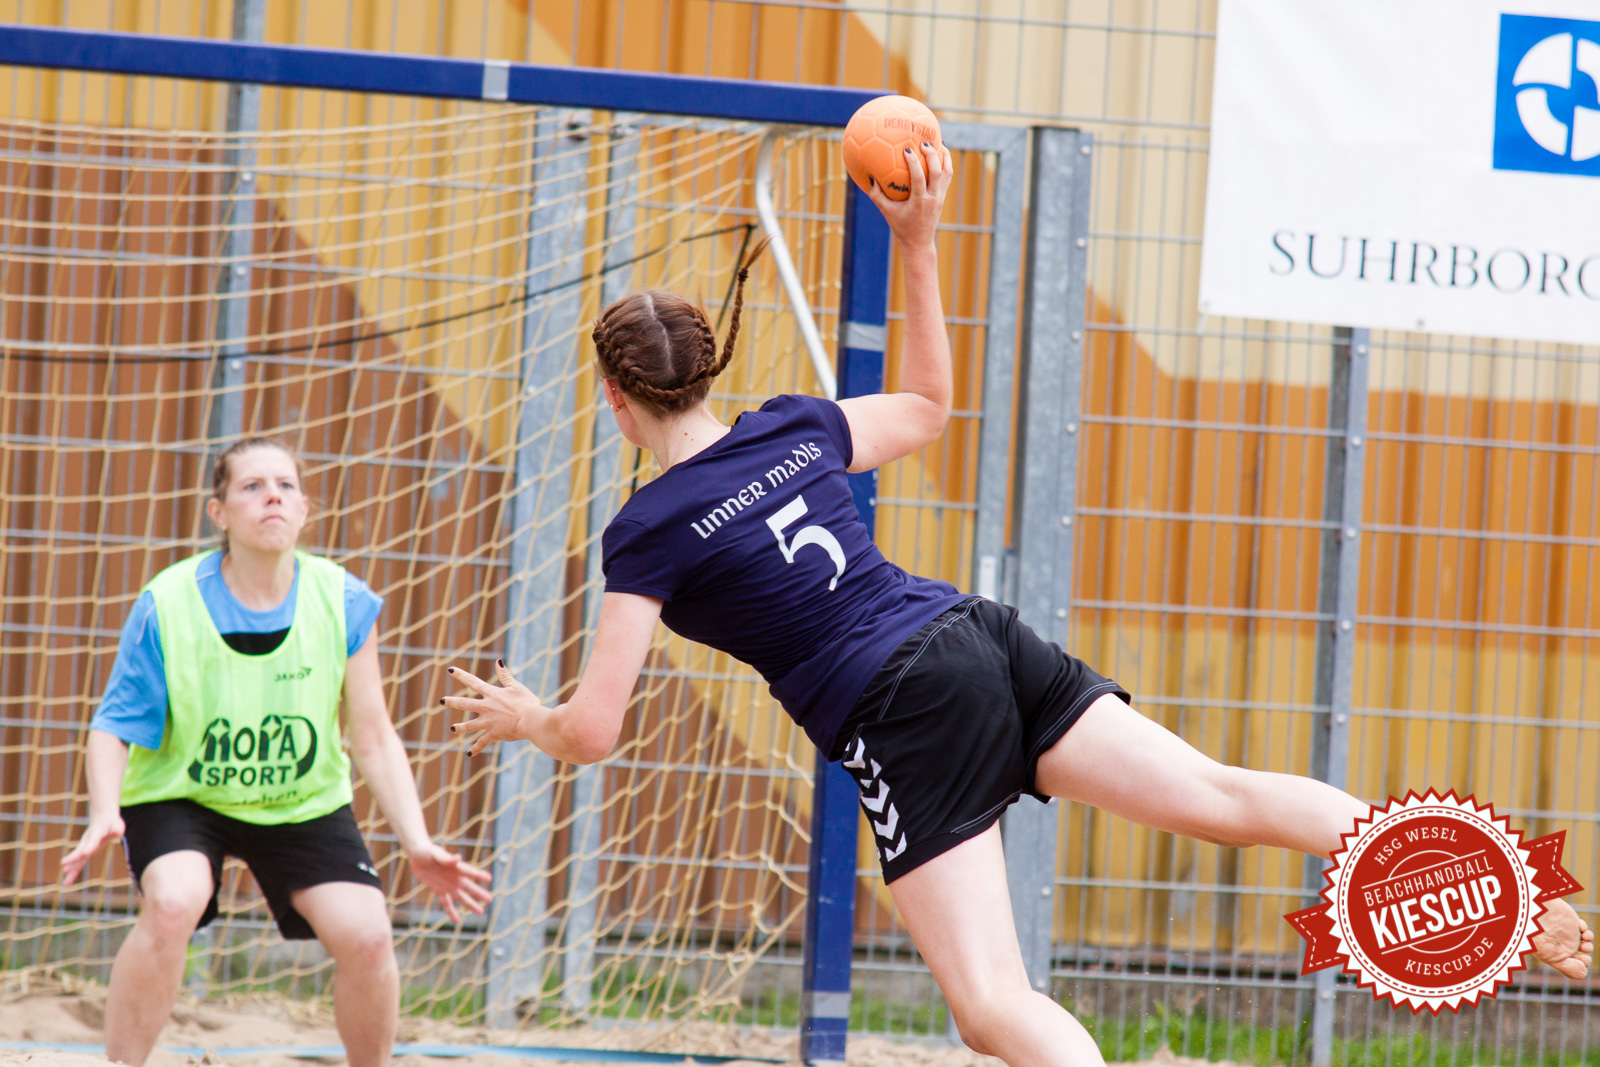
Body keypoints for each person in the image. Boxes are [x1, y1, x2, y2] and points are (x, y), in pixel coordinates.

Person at [442, 145, 1593, 1065]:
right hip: (973, 634)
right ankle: (1499, 879)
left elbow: (594, 730)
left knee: (993, 1008)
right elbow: (934, 406)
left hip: (898, 707)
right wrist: (920, 241)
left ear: (610, 396)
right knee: (1226, 794)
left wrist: (526, 718)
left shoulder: (646, 528)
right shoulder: (793, 424)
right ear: (710, 365)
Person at [62, 437, 492, 1067]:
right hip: (185, 796)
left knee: (370, 935)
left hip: (300, 801)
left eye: (286, 486)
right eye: (252, 485)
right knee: (174, 900)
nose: (272, 496)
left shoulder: (342, 600)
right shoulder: (169, 601)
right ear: (219, 511)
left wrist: (418, 842)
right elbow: (111, 726)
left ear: (305, 510)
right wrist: (104, 811)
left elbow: (372, 734)